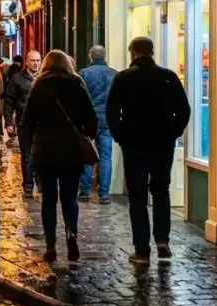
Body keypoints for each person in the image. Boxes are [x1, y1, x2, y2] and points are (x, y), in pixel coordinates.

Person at [107, 37, 191, 265]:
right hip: (163, 144)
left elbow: (112, 112)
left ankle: (142, 250)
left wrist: (121, 137)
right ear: (152, 52)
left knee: (138, 197)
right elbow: (184, 110)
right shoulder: (168, 77)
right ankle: (163, 241)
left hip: (134, 145)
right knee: (161, 191)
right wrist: (173, 132)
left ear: (132, 53)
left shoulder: (124, 78)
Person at [19, 50, 98, 263]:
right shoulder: (76, 83)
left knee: (49, 200)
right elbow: (91, 118)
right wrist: (87, 135)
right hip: (71, 150)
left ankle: (51, 245)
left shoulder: (39, 86)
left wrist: (27, 148)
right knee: (70, 198)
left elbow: (26, 122)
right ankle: (71, 236)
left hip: (45, 151)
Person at [78, 46, 118, 204]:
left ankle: (85, 190)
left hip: (89, 118)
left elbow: (80, 98)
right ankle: (104, 194)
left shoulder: (84, 74)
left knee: (87, 154)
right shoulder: (114, 74)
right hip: (107, 119)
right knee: (106, 157)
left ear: (90, 57)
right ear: (105, 56)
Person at [4, 50, 41, 197]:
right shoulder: (17, 78)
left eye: (38, 60)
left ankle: (40, 182)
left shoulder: (44, 77)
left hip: (41, 123)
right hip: (24, 122)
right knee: (26, 154)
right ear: (26, 62)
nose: (36, 63)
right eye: (33, 60)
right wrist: (8, 122)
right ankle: (28, 185)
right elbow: (9, 101)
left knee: (40, 153)